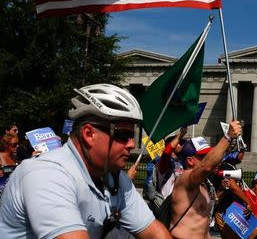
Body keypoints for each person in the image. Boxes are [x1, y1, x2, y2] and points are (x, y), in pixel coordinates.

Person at [0, 83, 171, 238]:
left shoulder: (114, 178)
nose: (132, 144)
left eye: (132, 135)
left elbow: (155, 233)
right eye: (123, 135)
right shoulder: (46, 174)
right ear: (89, 134)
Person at [169, 120, 242, 239]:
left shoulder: (204, 184)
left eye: (209, 155)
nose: (210, 159)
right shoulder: (184, 178)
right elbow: (206, 166)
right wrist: (228, 137)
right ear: (190, 161)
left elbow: (202, 225)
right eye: (204, 157)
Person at [0, 133, 19, 200]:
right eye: (14, 145)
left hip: (12, 192)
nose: (17, 146)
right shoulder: (0, 156)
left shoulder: (14, 156)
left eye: (17, 144)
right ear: (6, 145)